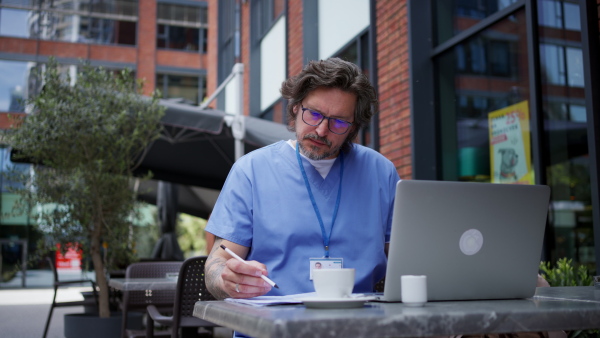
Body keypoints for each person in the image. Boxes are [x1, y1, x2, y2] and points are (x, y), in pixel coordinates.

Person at [204, 57, 400, 300]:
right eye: (314, 114)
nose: (321, 130)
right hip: (269, 326)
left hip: (360, 324)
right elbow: (218, 262)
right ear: (296, 107)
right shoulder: (251, 171)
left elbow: (405, 262)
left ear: (354, 127)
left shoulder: (381, 173)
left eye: (339, 122)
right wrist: (225, 278)